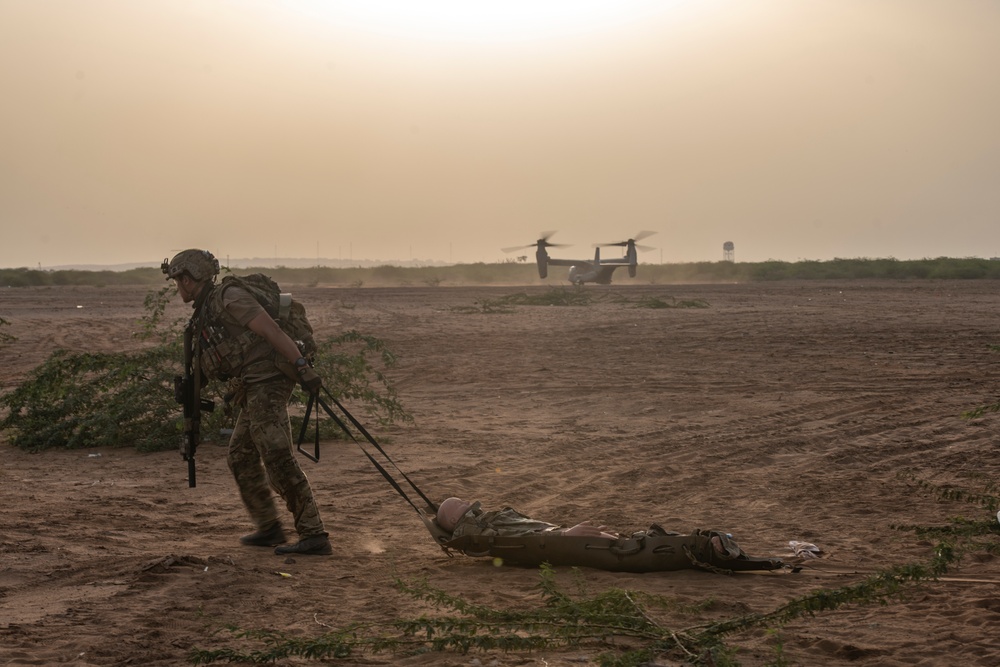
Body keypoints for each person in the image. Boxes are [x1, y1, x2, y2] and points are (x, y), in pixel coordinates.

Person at [163, 249, 331, 556]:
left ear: (188, 280)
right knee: (240, 455)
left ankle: (313, 533)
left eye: (178, 281)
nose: (178, 288)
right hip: (253, 384)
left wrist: (303, 367)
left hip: (269, 378)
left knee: (276, 453)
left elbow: (271, 329)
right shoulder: (204, 312)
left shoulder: (229, 298)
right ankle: (269, 527)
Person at [436, 497, 619, 540]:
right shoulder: (468, 530)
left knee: (604, 537)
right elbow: (507, 536)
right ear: (453, 520)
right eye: (460, 503)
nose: (467, 501)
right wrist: (564, 535)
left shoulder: (479, 520)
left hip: (551, 532)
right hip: (550, 537)